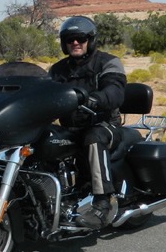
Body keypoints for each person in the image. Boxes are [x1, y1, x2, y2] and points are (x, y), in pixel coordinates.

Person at [49, 15, 127, 229]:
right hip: (70, 128)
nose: (75, 42)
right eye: (70, 39)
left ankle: (102, 202)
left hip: (104, 125)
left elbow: (115, 90)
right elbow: (45, 93)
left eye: (81, 38)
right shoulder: (57, 70)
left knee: (93, 137)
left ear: (90, 40)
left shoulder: (108, 62)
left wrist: (95, 99)